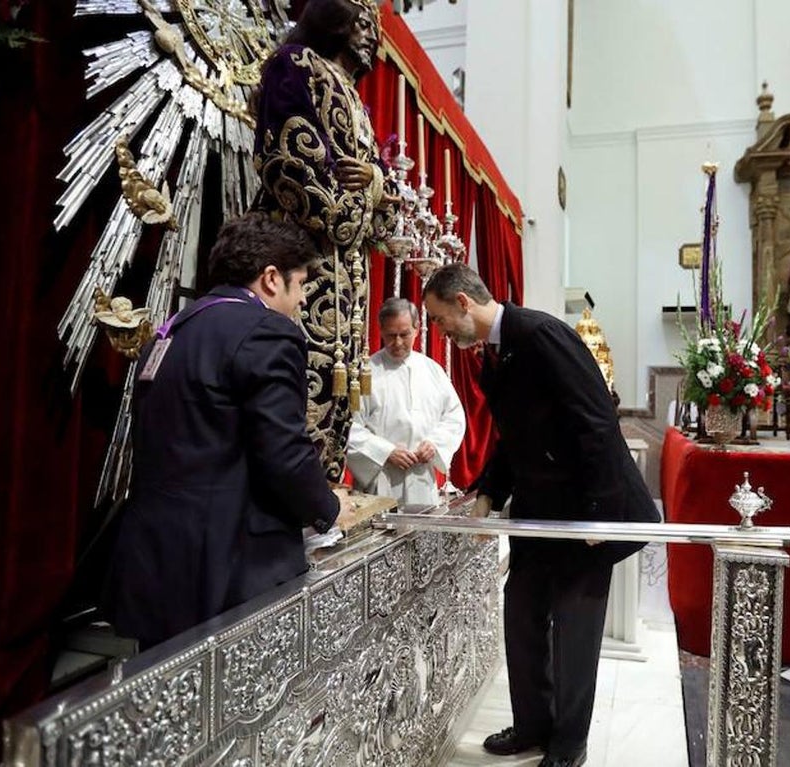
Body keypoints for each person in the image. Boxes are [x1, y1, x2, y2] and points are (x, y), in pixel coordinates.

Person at [422, 264, 659, 767]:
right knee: (523, 619)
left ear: (464, 303)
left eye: (441, 320)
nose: (440, 331)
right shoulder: (496, 352)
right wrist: (490, 489)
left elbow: (595, 422)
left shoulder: (542, 334)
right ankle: (533, 725)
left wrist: (599, 514)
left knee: (574, 632)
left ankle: (569, 742)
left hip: (583, 513)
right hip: (539, 513)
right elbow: (517, 436)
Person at [105, 213, 355, 649]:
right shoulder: (265, 331)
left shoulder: (173, 328)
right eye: (300, 285)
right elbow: (284, 453)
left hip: (155, 558)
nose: (300, 302)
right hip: (228, 566)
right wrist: (328, 509)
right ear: (272, 278)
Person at [252, 0, 396, 483]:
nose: (372, 37)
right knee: (292, 399)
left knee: (338, 406)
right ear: (332, 23)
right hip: (300, 272)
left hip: (347, 289)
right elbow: (291, 170)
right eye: (363, 24)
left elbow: (386, 208)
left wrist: (375, 183)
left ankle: (321, 501)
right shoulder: (294, 69)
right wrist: (361, 204)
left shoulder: (356, 100)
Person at [347, 298, 466, 507]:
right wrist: (385, 451)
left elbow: (454, 416)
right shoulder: (365, 373)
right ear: (381, 330)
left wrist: (434, 444)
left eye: (405, 334)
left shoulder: (432, 370)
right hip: (380, 479)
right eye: (391, 335)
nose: (398, 343)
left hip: (421, 479)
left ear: (417, 329)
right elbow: (349, 428)